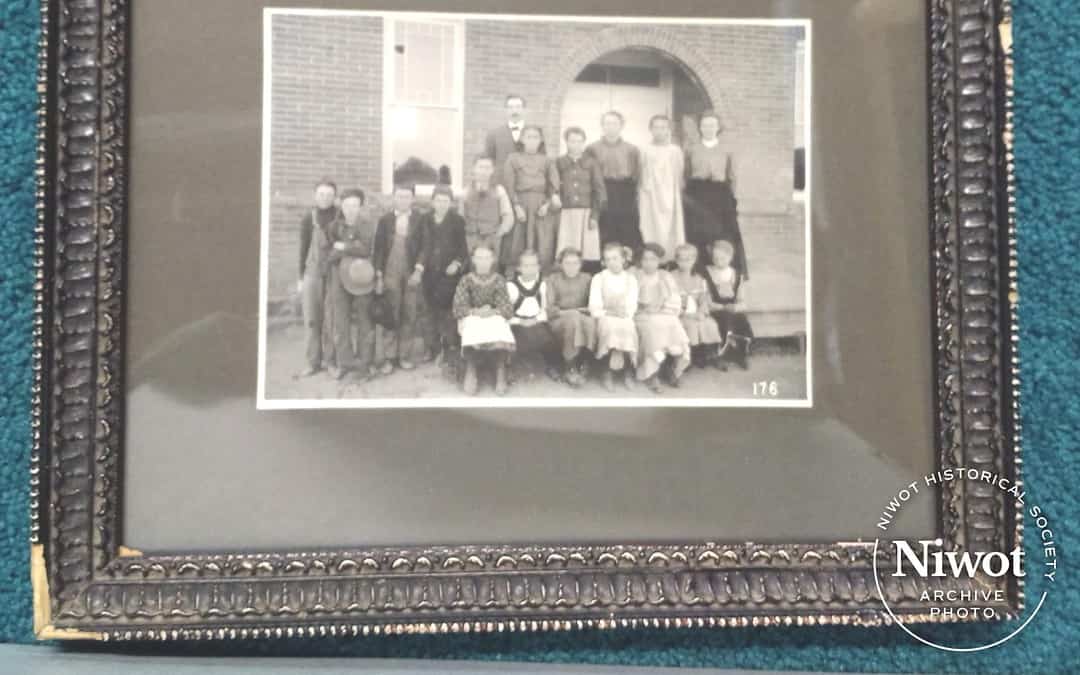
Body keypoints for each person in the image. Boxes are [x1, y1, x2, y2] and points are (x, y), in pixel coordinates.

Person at [683, 112, 747, 279]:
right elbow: (686, 174)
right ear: (700, 128)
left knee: (721, 233)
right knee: (697, 232)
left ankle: (723, 272)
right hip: (697, 194)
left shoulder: (727, 149)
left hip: (720, 195)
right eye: (705, 125)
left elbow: (732, 176)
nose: (708, 128)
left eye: (712, 125)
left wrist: (732, 199)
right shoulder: (692, 148)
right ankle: (699, 271)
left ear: (718, 128)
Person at [373, 185, 428, 374]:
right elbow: (378, 250)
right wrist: (379, 275)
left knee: (409, 312)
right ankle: (389, 357)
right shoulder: (385, 220)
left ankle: (404, 356)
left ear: (412, 199)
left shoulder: (420, 219)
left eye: (407, 196)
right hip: (390, 271)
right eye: (399, 196)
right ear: (394, 198)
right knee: (391, 312)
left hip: (411, 271)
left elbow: (424, 247)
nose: (403, 200)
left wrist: (418, 270)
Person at [326, 189, 378, 381]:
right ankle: (345, 363)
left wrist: (344, 247)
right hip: (338, 276)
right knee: (340, 321)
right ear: (342, 206)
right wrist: (350, 247)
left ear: (360, 207)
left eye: (355, 205)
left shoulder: (367, 225)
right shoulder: (333, 226)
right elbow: (330, 252)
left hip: (361, 275)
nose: (350, 209)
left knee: (365, 320)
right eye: (347, 205)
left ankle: (365, 364)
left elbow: (365, 249)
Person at [452, 244, 516, 396]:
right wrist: (476, 311)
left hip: (493, 316)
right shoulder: (466, 280)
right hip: (473, 316)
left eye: (486, 258)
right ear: (473, 260)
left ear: (492, 259)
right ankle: (471, 368)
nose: (483, 262)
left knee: (500, 323)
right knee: (471, 325)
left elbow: (507, 308)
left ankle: (500, 369)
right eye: (479, 258)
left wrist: (492, 311)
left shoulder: (499, 279)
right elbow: (458, 308)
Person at [419, 186, 469, 371]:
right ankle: (431, 349)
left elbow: (463, 250)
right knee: (429, 311)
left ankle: (449, 349)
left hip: (448, 275)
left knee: (448, 312)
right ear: (432, 202)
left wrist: (456, 264)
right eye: (438, 200)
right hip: (429, 273)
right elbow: (418, 244)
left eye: (445, 201)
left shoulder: (457, 221)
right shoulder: (425, 220)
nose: (441, 204)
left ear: (451, 203)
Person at [634, 243, 691, 392]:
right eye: (645, 259)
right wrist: (644, 307)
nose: (649, 263)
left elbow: (674, 298)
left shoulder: (666, 276)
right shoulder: (635, 275)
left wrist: (662, 308)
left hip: (663, 312)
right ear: (640, 261)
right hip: (642, 314)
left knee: (673, 324)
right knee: (652, 327)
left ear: (659, 261)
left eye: (653, 259)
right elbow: (629, 299)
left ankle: (673, 370)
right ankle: (651, 374)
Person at [297, 178, 340, 377]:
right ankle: (312, 362)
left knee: (330, 320)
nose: (325, 198)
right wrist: (300, 278)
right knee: (312, 320)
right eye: (321, 194)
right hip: (311, 275)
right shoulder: (308, 218)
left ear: (334, 197)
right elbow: (303, 248)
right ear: (315, 195)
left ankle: (330, 362)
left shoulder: (340, 217)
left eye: (329, 195)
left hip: (332, 275)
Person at [504, 126, 560, 273]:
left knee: (542, 242)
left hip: (540, 206)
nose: (532, 140)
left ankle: (541, 278)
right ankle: (515, 277)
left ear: (540, 140)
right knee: (517, 241)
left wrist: (547, 205)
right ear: (522, 139)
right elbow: (509, 184)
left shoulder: (547, 161)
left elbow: (553, 184)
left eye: (535, 137)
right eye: (528, 137)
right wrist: (516, 206)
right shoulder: (513, 158)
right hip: (520, 205)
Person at [586, 111, 643, 254]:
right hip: (603, 190)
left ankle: (626, 263)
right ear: (602, 126)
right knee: (604, 229)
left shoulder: (632, 149)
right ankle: (604, 263)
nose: (610, 127)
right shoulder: (592, 148)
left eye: (614, 123)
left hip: (625, 192)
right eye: (607, 123)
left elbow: (637, 174)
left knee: (627, 229)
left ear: (621, 126)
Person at [554, 127, 606, 273]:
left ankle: (586, 278)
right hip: (567, 213)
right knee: (567, 248)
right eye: (572, 141)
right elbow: (553, 184)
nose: (575, 145)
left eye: (579, 141)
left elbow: (599, 191)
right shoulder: (559, 162)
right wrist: (555, 196)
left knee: (588, 250)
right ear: (566, 142)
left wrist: (595, 215)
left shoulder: (591, 163)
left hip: (587, 212)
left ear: (584, 143)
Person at [588, 242, 639, 392]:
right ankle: (606, 372)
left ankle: (628, 371)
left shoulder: (631, 279)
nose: (611, 262)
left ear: (624, 259)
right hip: (605, 316)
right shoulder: (599, 278)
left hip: (624, 316)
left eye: (615, 258)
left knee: (628, 327)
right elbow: (594, 305)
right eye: (608, 259)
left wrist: (623, 313)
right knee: (609, 327)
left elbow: (631, 305)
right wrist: (608, 313)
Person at [506, 250, 561, 383]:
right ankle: (509, 369)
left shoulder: (542, 285)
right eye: (526, 265)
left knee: (550, 340)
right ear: (519, 268)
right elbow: (505, 313)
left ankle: (551, 366)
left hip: (536, 322)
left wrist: (535, 319)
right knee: (511, 343)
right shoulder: (510, 286)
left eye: (533, 265)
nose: (530, 269)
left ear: (538, 267)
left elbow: (545, 309)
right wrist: (519, 321)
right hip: (517, 323)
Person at [546, 247, 596, 388]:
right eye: (567, 263)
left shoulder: (588, 279)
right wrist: (571, 313)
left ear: (581, 264)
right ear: (560, 264)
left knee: (590, 323)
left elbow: (593, 305)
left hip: (582, 317)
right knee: (572, 321)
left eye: (575, 263)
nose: (571, 267)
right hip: (559, 320)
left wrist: (577, 312)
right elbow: (550, 308)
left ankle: (585, 362)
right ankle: (571, 366)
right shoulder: (552, 279)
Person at [638, 115, 686, 263]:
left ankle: (670, 260)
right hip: (650, 195)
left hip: (670, 195)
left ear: (668, 130)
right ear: (650, 130)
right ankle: (652, 259)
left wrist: (673, 194)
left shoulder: (675, 151)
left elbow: (679, 175)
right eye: (656, 127)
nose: (659, 131)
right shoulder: (644, 150)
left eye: (663, 127)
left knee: (670, 228)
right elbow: (640, 173)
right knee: (649, 225)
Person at [671, 243, 724, 368]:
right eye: (681, 260)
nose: (684, 263)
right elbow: (670, 300)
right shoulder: (671, 277)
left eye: (688, 259)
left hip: (696, 312)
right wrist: (684, 313)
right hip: (681, 313)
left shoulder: (698, 278)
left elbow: (704, 298)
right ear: (676, 260)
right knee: (690, 326)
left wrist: (701, 312)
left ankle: (711, 354)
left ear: (694, 260)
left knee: (710, 324)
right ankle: (687, 357)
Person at [704, 239, 754, 369]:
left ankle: (741, 355)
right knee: (724, 322)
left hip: (732, 309)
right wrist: (720, 307)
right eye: (715, 258)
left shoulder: (736, 274)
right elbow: (705, 298)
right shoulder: (707, 272)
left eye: (723, 258)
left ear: (730, 257)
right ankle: (720, 356)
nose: (719, 261)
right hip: (715, 308)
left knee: (742, 321)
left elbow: (742, 300)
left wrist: (736, 307)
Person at [462, 156, 515, 266]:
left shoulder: (499, 190)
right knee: (471, 268)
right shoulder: (466, 191)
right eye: (481, 167)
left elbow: (508, 216)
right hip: (471, 238)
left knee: (492, 268)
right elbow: (460, 217)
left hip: (492, 239)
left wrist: (500, 232)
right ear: (474, 169)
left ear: (492, 170)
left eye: (487, 168)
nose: (484, 171)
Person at [484, 94, 528, 186]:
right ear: (505, 111)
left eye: (518, 107)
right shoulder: (494, 134)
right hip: (502, 186)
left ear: (524, 110)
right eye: (510, 107)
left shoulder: (534, 134)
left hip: (527, 187)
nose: (514, 111)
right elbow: (488, 162)